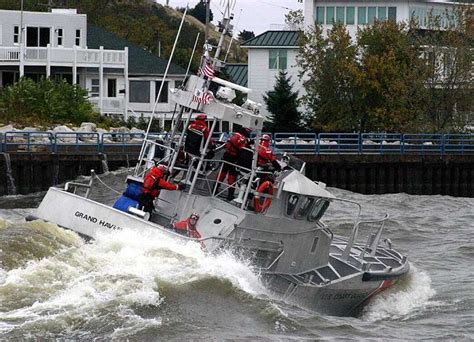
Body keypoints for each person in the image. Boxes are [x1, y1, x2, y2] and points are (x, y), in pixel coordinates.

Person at [215, 126, 251, 200]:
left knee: (222, 174)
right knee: (231, 177)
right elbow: (242, 149)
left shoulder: (235, 134)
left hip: (227, 156)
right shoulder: (243, 139)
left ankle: (214, 189)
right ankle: (230, 195)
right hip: (233, 158)